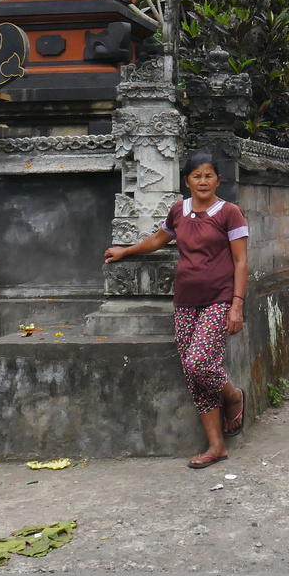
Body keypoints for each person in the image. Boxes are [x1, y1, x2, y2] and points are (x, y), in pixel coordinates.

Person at [104, 150, 248, 468]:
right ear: (187, 181)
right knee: (193, 375)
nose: (203, 181)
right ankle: (216, 446)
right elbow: (159, 239)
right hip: (184, 302)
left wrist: (236, 305)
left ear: (218, 180)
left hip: (219, 300)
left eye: (209, 175)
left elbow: (240, 261)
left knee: (199, 364)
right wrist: (126, 251)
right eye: (197, 176)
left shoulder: (229, 213)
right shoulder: (178, 211)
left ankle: (234, 396)